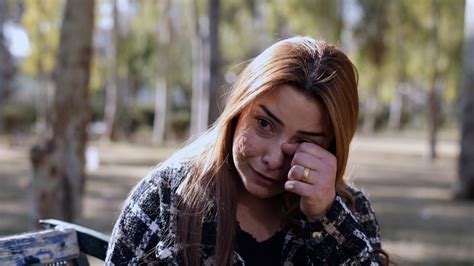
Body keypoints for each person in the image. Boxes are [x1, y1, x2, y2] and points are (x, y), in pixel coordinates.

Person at [105, 36, 389, 265]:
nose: (273, 159)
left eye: (306, 142)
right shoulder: (165, 199)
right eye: (264, 124)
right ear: (238, 110)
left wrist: (327, 217)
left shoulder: (350, 209)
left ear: (331, 147)